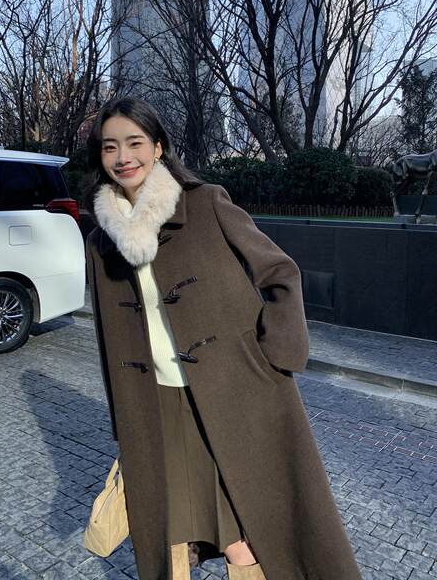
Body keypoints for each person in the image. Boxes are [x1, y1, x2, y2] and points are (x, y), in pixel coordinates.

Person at [83, 96, 363, 580]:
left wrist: (275, 355)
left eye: (134, 142)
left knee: (246, 533)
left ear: (158, 147)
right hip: (154, 400)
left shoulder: (205, 203)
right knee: (170, 530)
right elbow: (108, 337)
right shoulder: (102, 239)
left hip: (232, 390)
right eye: (110, 147)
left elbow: (280, 271)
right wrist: (121, 415)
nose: (123, 157)